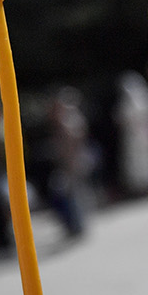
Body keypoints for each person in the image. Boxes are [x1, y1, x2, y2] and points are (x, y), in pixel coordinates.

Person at [46, 86, 90, 239]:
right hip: (71, 163)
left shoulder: (69, 120)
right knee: (73, 194)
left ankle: (78, 225)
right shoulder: (70, 119)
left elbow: (72, 142)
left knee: (75, 194)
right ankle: (76, 224)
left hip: (73, 163)